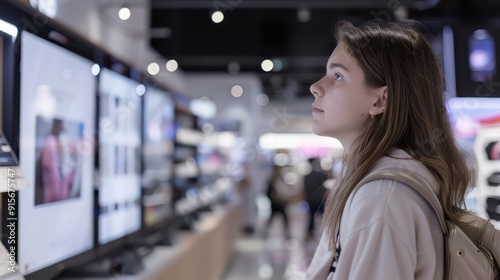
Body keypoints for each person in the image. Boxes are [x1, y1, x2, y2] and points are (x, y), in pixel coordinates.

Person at [306, 20, 475, 280]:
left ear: (380, 100)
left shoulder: (382, 199)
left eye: (337, 76)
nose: (316, 87)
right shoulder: (380, 187)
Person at [41, 119, 78, 203]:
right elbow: (50, 168)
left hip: (62, 193)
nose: (65, 128)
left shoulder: (62, 141)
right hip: (53, 193)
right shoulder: (51, 142)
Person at [303, 157, 329, 240]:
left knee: (311, 218)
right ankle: (327, 232)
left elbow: (305, 189)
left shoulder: (307, 176)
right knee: (323, 217)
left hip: (311, 200)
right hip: (319, 199)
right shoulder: (322, 175)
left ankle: (310, 234)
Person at [265, 165, 291, 239]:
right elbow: (268, 192)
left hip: (281, 203)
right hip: (275, 203)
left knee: (284, 217)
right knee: (273, 217)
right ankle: (267, 232)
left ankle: (287, 233)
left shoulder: (282, 180)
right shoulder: (272, 181)